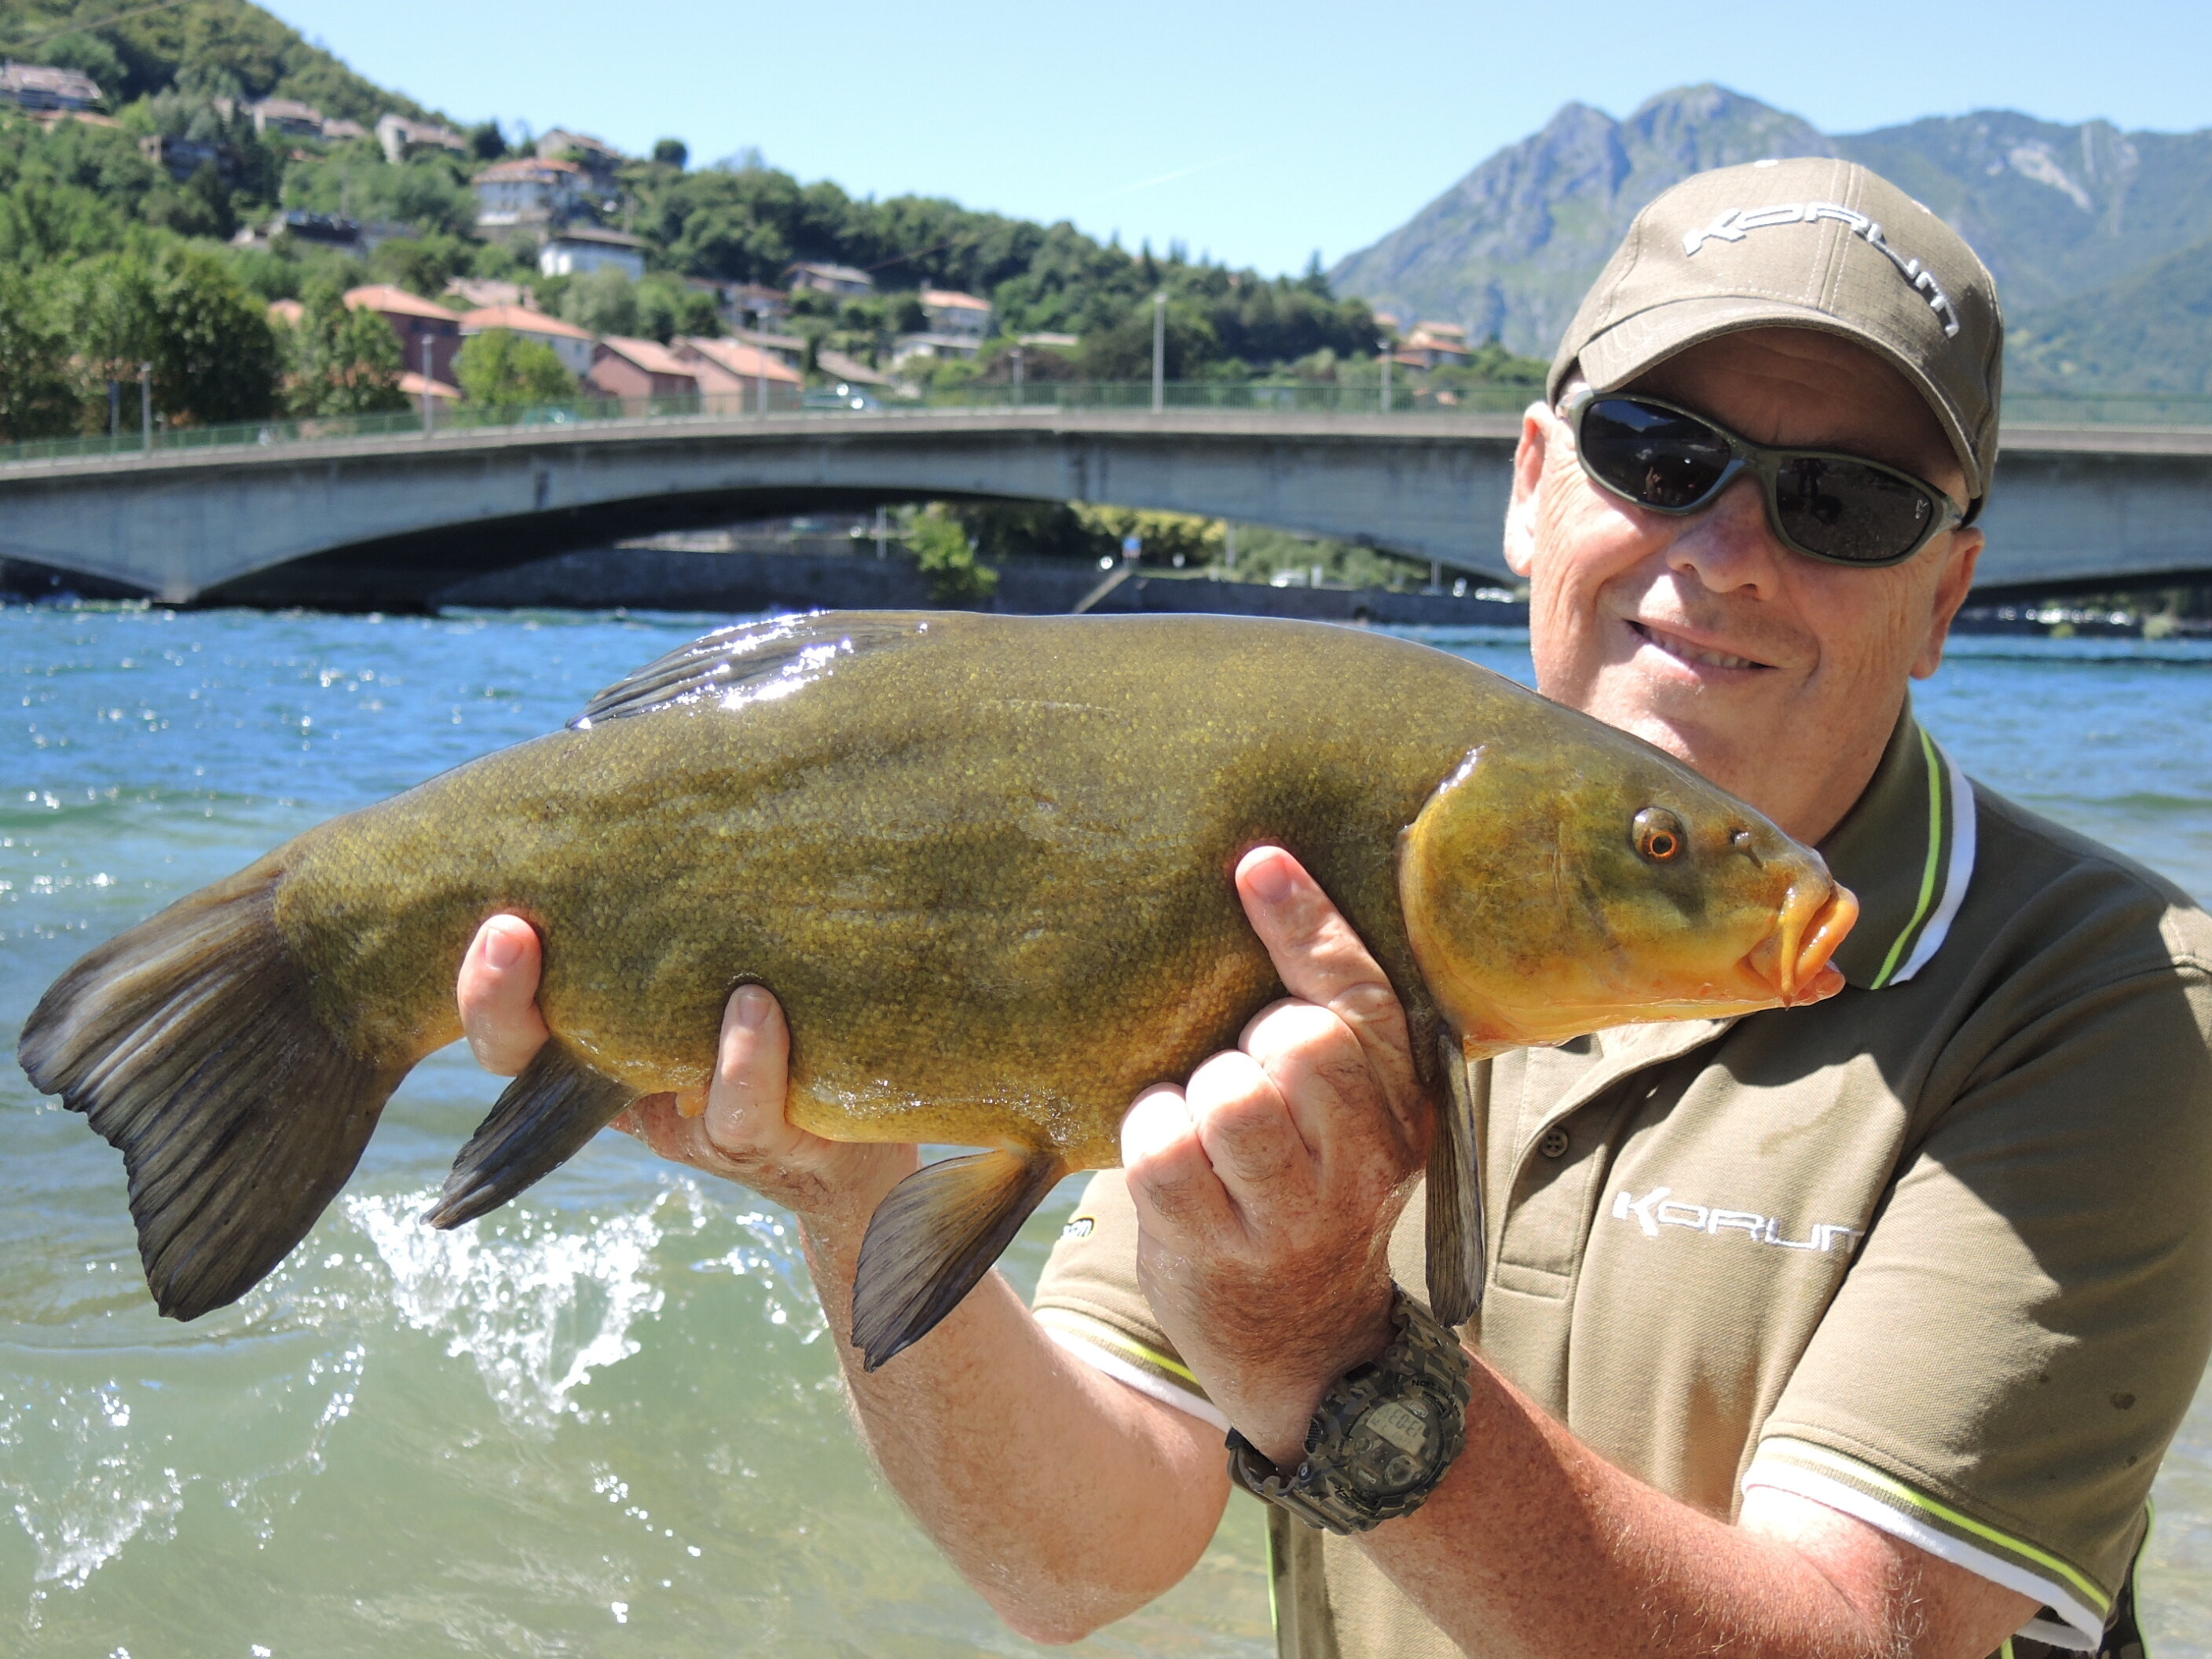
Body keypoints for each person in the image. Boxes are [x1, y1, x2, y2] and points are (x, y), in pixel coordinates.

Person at [455, 159, 2212, 1659]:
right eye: (1657, 452)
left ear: (1948, 593)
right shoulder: (1321, 885)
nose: (1731, 551)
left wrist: (1325, 1348)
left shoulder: (2112, 1003)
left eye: (1845, 501)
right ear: (1532, 486)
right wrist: (845, 1198)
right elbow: (1077, 1552)